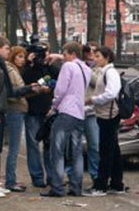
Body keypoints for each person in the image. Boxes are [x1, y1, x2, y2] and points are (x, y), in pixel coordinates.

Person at [0, 36, 37, 198]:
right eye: (6, 48)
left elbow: (9, 91)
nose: (9, 51)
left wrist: (28, 89)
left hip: (0, 110)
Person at [42, 41, 91, 198]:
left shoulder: (68, 67)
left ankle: (57, 187)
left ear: (73, 54)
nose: (63, 58)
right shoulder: (86, 69)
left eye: (65, 54)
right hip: (79, 112)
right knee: (76, 151)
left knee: (57, 150)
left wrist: (53, 106)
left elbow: (61, 89)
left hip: (66, 111)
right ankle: (76, 186)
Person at [85, 46, 125, 197]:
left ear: (107, 57)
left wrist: (93, 100)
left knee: (106, 151)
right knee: (113, 150)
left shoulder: (111, 73)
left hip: (109, 115)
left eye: (98, 56)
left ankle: (101, 186)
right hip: (104, 114)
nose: (95, 59)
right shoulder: (105, 72)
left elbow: (110, 93)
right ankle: (116, 183)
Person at [22, 48, 60, 188]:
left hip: (48, 110)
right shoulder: (28, 68)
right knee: (33, 144)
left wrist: (49, 63)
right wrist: (28, 63)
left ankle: (51, 176)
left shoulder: (49, 68)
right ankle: (37, 177)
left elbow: (60, 76)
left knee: (50, 145)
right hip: (32, 110)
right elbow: (22, 81)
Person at [4, 46, 34, 192]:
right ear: (13, 57)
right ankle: (10, 180)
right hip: (15, 110)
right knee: (14, 147)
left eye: (24, 57)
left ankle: (11, 179)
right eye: (19, 57)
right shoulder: (10, 71)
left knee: (14, 147)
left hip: (18, 109)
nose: (22, 60)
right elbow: (13, 92)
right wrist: (28, 89)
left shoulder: (15, 71)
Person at [81, 42, 100, 186]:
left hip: (91, 112)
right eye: (88, 51)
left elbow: (97, 83)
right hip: (76, 110)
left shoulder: (100, 69)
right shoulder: (78, 66)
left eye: (94, 52)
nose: (91, 55)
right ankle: (74, 174)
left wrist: (87, 68)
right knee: (73, 145)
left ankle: (95, 175)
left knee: (94, 144)